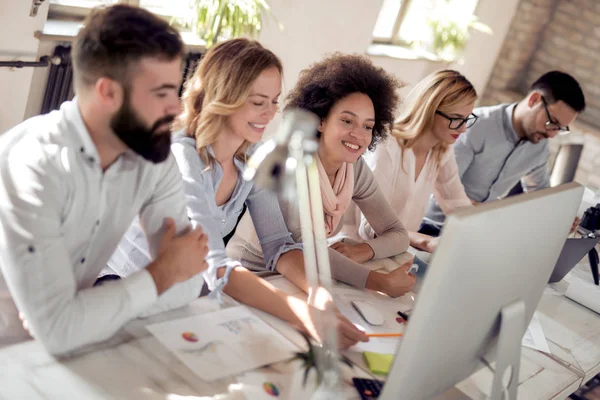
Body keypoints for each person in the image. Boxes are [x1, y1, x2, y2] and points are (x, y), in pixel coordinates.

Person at [0, 6, 364, 355]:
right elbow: (59, 327)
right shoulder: (33, 164)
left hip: (92, 330)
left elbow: (190, 280)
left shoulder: (151, 158)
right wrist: (160, 275)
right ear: (108, 93)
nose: (176, 107)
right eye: (160, 94)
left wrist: (149, 283)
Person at [104, 37, 368, 348]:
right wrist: (301, 313)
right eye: (258, 102)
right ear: (224, 96)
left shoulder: (250, 157)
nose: (270, 114)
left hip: (181, 292)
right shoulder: (180, 155)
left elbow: (278, 244)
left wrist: (317, 293)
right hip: (122, 290)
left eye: (274, 101)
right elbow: (215, 264)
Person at [228, 53, 416, 298]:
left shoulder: (354, 169)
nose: (358, 135)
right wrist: (378, 281)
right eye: (347, 121)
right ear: (320, 120)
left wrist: (365, 250)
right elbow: (304, 249)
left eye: (368, 126)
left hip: (305, 280)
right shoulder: (289, 161)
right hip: (251, 276)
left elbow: (398, 234)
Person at [422, 71, 586, 235]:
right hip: (435, 227)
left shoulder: (539, 147)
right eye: (552, 123)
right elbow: (444, 193)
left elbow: (540, 196)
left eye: (560, 129)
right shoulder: (475, 126)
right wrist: (502, 217)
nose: (552, 134)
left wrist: (557, 217)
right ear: (534, 100)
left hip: (479, 233)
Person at [344, 70, 476, 253]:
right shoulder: (386, 147)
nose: (462, 129)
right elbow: (370, 227)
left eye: (467, 119)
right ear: (429, 110)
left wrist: (483, 229)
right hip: (355, 250)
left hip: (397, 253)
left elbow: (457, 203)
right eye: (456, 119)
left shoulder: (441, 150)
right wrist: (424, 242)